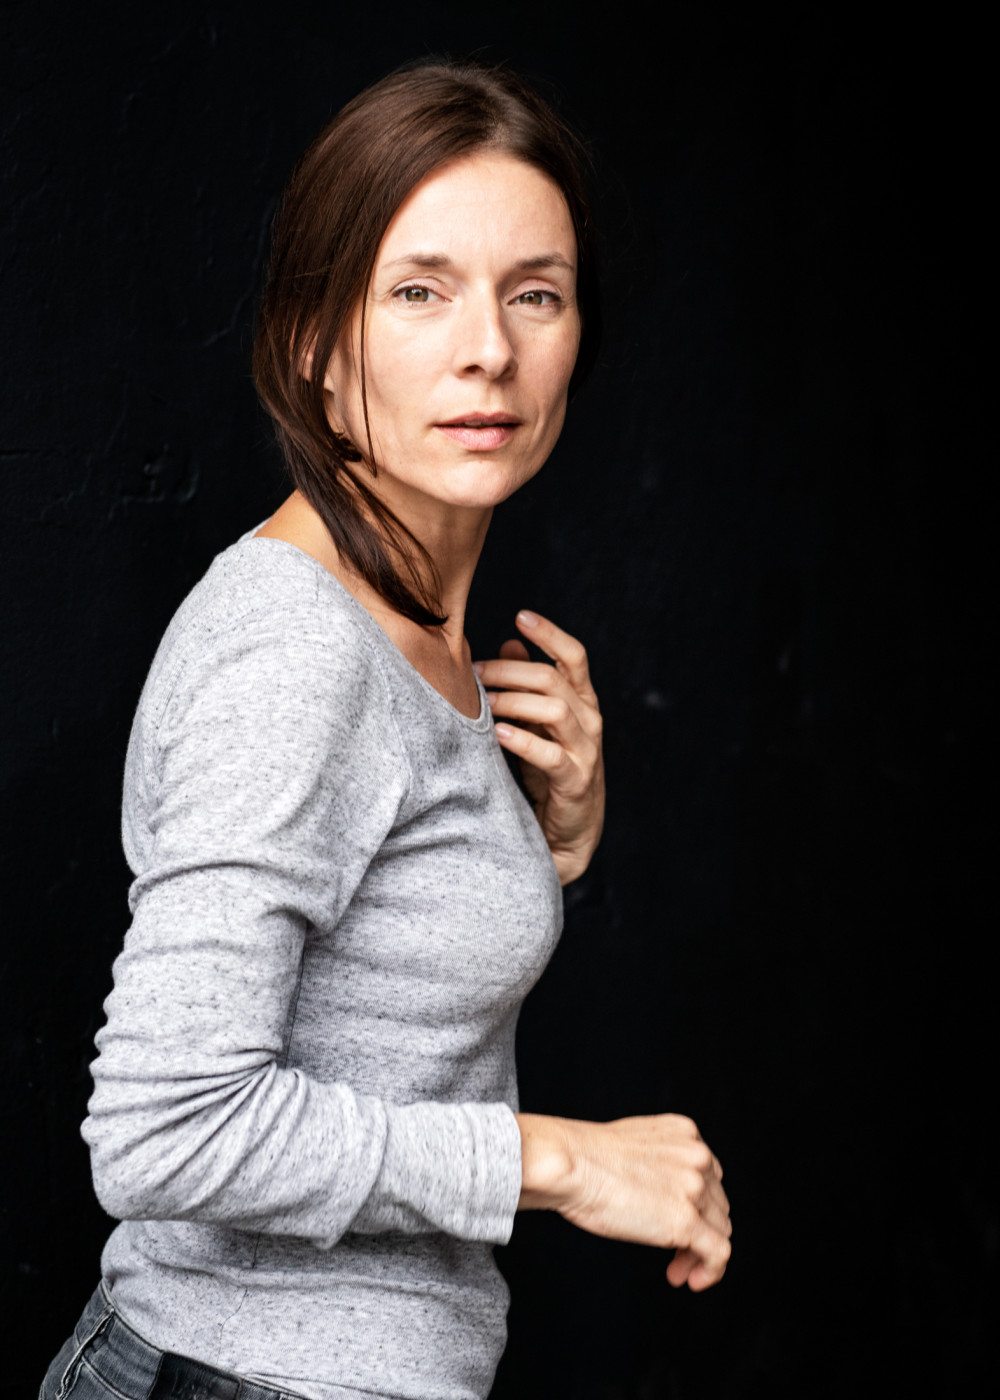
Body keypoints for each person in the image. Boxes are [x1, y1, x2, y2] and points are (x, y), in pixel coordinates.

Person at [40, 58, 731, 1400]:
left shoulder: (407, 626)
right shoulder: (298, 654)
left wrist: (549, 844)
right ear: (315, 338)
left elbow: (380, 989)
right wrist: (563, 1160)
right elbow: (165, 1131)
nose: (490, 348)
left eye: (535, 293)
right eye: (420, 290)